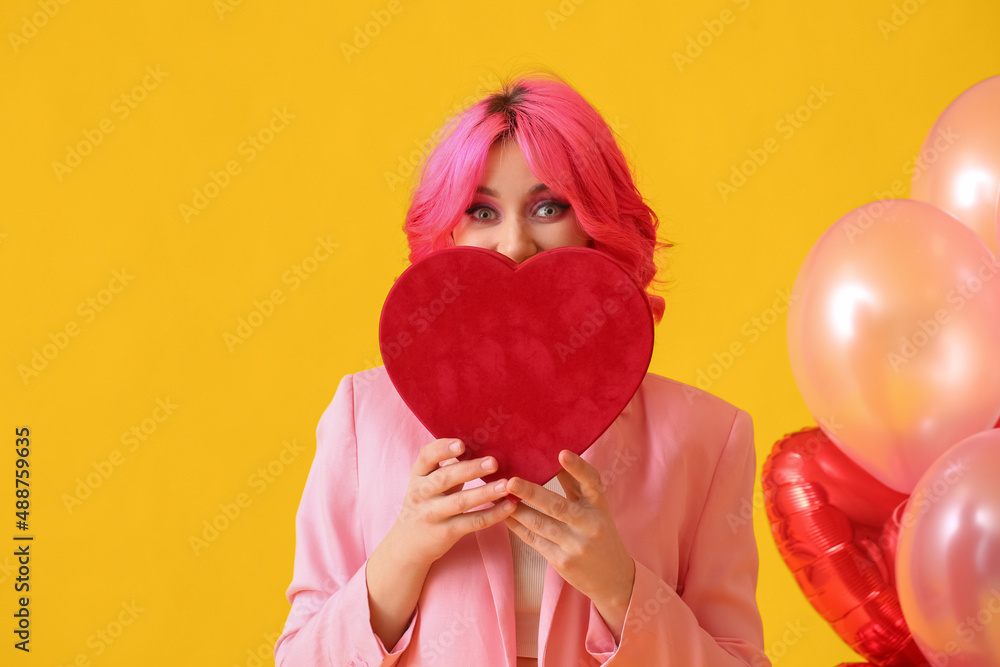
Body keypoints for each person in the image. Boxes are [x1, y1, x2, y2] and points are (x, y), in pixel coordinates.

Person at [274, 72, 770, 667]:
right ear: (449, 229)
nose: (513, 243)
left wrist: (619, 585)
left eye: (547, 207)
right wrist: (405, 549)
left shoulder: (707, 437)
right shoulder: (363, 416)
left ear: (595, 224)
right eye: (482, 211)